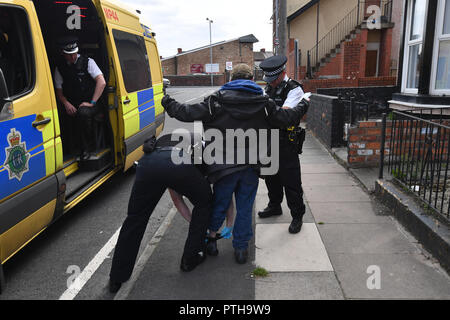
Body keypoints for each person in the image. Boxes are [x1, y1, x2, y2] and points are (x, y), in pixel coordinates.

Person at [162, 63, 309, 264]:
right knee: (245, 206)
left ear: (231, 79)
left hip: (223, 166)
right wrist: (303, 105)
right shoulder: (263, 101)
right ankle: (240, 249)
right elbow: (285, 118)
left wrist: (166, 101)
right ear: (250, 79)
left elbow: (186, 112)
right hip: (251, 165)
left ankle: (211, 240)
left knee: (220, 203)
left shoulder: (216, 100)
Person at [109, 133, 213, 293]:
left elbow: (177, 199)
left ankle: (117, 277)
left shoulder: (175, 140)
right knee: (205, 202)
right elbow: (200, 193)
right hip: (178, 164)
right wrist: (200, 228)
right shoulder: (205, 153)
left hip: (148, 165)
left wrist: (194, 222)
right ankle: (190, 258)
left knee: (135, 219)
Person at [257, 55, 308, 234]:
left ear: (282, 73)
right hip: (269, 141)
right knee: (271, 178)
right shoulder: (268, 89)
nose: (270, 83)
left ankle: (297, 215)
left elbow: (282, 117)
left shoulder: (295, 89)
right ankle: (274, 206)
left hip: (287, 143)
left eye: (273, 79)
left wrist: (268, 114)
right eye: (268, 79)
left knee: (291, 181)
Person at [54, 36, 106, 159]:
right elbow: (59, 91)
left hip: (91, 103)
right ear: (63, 54)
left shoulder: (88, 62)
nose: (72, 57)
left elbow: (101, 82)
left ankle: (87, 149)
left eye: (74, 54)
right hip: (72, 103)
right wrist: (66, 103)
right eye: (69, 55)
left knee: (83, 113)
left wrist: (92, 102)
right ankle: (66, 149)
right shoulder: (59, 68)